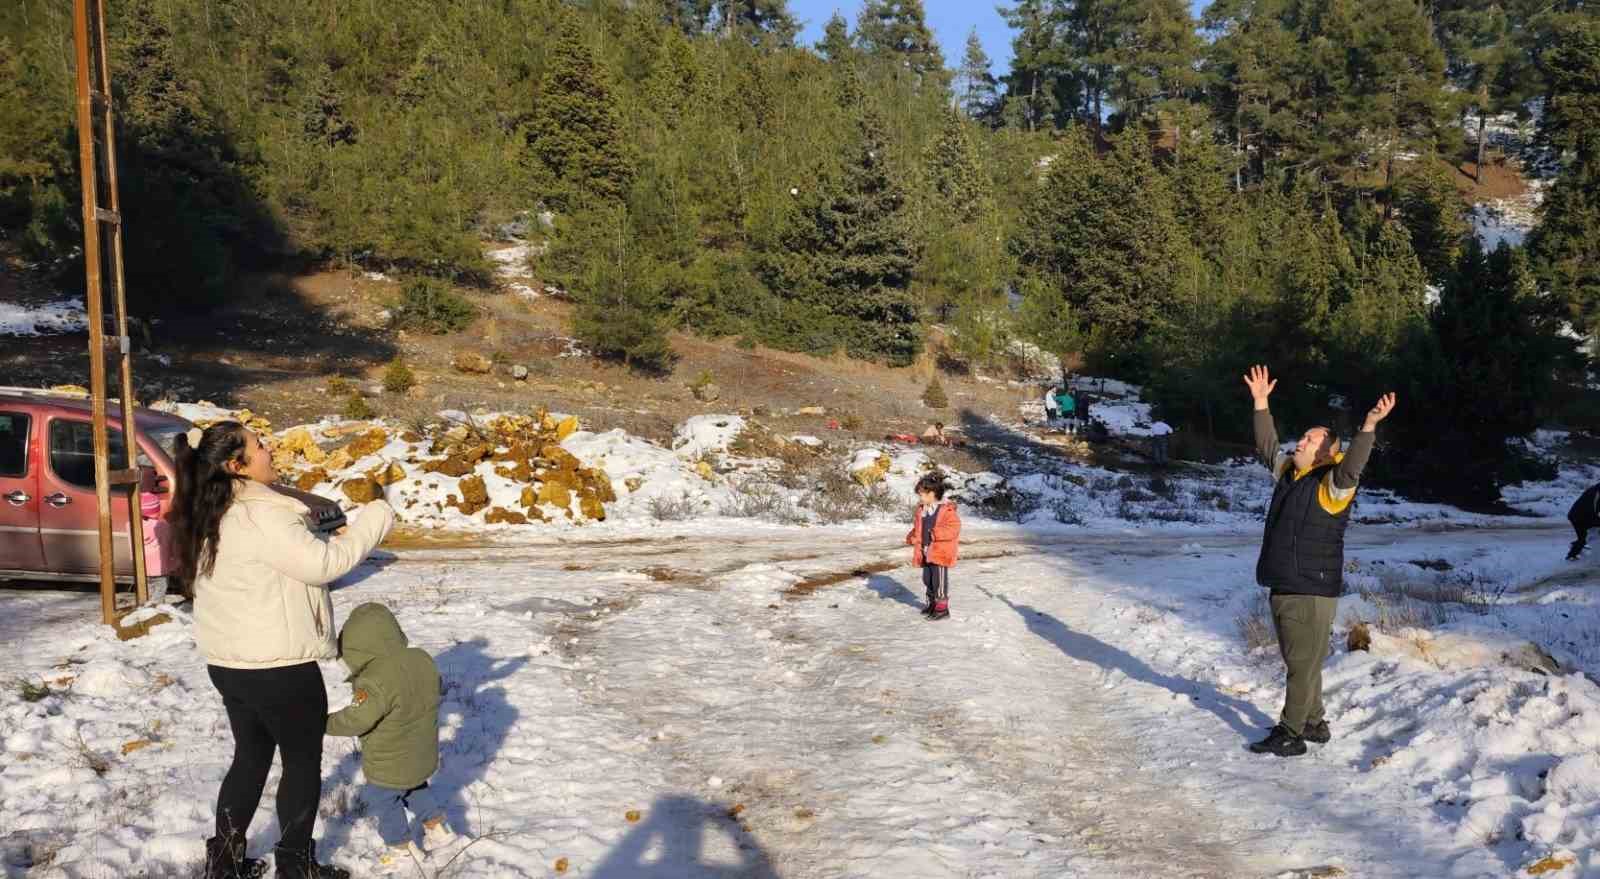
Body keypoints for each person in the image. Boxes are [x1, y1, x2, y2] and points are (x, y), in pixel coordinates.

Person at [174, 422, 396, 879]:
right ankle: (295, 867)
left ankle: (225, 864)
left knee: (250, 758)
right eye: (259, 445)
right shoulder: (265, 512)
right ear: (238, 465)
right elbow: (325, 566)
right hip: (280, 668)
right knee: (301, 764)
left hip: (230, 663)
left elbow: (276, 563)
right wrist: (377, 515)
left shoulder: (212, 508)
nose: (269, 447)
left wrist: (318, 540)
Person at [1243, 365, 1395, 758]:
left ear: (1328, 450)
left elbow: (1353, 466)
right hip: (1287, 582)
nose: (1300, 441)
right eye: (1303, 436)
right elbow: (1267, 447)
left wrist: (1369, 427)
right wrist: (1261, 403)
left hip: (1308, 588)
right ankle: (1313, 721)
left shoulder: (1332, 486)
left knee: (1300, 665)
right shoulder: (1292, 474)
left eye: (1310, 439)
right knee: (1304, 661)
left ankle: (1291, 733)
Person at [326, 603, 456, 874]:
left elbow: (358, 719)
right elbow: (437, 687)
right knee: (415, 787)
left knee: (384, 800)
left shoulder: (374, 680)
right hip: (421, 753)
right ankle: (437, 828)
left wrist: (323, 723)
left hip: (388, 762)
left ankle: (402, 850)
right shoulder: (421, 659)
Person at [905, 473, 961, 621]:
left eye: (922, 494)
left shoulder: (946, 510)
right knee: (927, 580)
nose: (920, 498)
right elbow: (918, 527)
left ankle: (942, 609)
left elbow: (954, 528)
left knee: (939, 582)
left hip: (940, 553)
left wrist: (935, 534)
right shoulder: (922, 510)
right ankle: (932, 604)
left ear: (933, 494)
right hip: (925, 552)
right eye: (919, 495)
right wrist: (912, 536)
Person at [1567, 482, 1600, 560]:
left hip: (1579, 515)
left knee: (1583, 538)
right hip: (1579, 516)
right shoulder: (1595, 493)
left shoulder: (1596, 491)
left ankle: (1572, 553)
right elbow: (1591, 509)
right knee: (1586, 537)